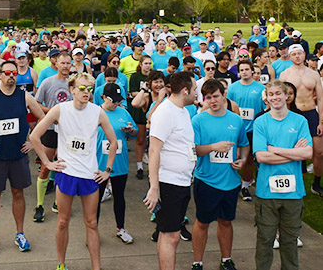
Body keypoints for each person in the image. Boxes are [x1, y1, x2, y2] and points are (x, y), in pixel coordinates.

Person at [30, 72, 117, 270]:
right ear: (72, 90)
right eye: (82, 88)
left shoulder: (98, 112)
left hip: (90, 176)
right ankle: (61, 264)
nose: (86, 92)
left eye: (90, 89)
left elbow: (113, 142)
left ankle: (97, 267)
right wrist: (47, 163)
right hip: (67, 174)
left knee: (92, 223)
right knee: (62, 221)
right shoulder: (60, 110)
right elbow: (35, 136)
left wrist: (107, 170)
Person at [0, 60, 45, 254]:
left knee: (18, 194)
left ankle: (20, 234)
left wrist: (32, 141)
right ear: (0, 75)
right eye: (7, 73)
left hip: (18, 155)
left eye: (14, 73)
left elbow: (43, 118)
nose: (11, 76)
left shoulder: (25, 97)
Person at [253, 80, 313, 270]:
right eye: (271, 95)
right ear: (267, 98)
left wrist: (275, 150)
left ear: (286, 95)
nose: (275, 98)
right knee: (265, 241)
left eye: (278, 94)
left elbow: (307, 154)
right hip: (266, 193)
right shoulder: (261, 121)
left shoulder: (299, 121)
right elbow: (261, 156)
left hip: (293, 194)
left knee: (290, 242)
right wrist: (292, 154)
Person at [191, 79, 249, 270]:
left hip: (230, 181)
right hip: (206, 180)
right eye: (208, 97)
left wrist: (242, 160)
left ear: (224, 95)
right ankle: (197, 262)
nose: (213, 101)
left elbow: (244, 144)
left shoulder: (236, 120)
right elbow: (196, 150)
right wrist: (214, 147)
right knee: (203, 222)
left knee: (226, 222)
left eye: (216, 96)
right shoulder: (198, 120)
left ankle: (226, 259)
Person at [143, 71, 197, 270]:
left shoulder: (182, 110)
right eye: (195, 89)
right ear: (185, 90)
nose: (196, 93)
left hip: (181, 182)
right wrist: (154, 188)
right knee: (170, 235)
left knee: (171, 234)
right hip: (168, 183)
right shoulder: (165, 112)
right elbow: (154, 150)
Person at [33, 52, 73, 222]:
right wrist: (53, 114)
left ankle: (58, 202)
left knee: (64, 166)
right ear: (56, 63)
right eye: (62, 63)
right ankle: (39, 205)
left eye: (67, 63)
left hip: (69, 131)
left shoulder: (74, 84)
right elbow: (36, 103)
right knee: (46, 166)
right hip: (50, 129)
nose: (65, 66)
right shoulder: (48, 82)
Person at [96, 83, 138, 244]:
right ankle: (93, 231)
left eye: (119, 101)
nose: (117, 104)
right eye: (113, 101)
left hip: (120, 164)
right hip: (100, 164)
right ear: (104, 98)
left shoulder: (123, 112)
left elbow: (135, 132)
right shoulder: (95, 113)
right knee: (95, 199)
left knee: (119, 197)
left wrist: (130, 131)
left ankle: (121, 228)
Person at [280, 44, 323, 196]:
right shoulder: (284, 75)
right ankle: (295, 181)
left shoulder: (314, 75)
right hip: (294, 115)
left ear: (304, 54)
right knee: (295, 150)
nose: (297, 56)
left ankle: (316, 183)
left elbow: (321, 99)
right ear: (290, 56)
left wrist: (321, 121)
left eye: (299, 53)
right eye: (294, 54)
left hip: (311, 113)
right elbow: (282, 99)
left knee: (319, 152)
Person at [227, 60, 266, 201]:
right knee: (232, 157)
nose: (244, 72)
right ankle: (230, 184)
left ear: (252, 71)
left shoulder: (261, 88)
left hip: (253, 130)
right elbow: (228, 107)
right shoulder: (233, 88)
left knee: (249, 159)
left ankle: (245, 186)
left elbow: (264, 109)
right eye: (241, 70)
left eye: (246, 69)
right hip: (235, 129)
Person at [129, 56, 153, 179]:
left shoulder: (153, 76)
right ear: (141, 64)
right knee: (140, 140)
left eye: (149, 63)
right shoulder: (135, 76)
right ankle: (139, 167)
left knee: (152, 142)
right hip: (139, 111)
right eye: (146, 63)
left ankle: (152, 168)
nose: (148, 66)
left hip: (153, 110)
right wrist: (144, 92)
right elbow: (132, 93)